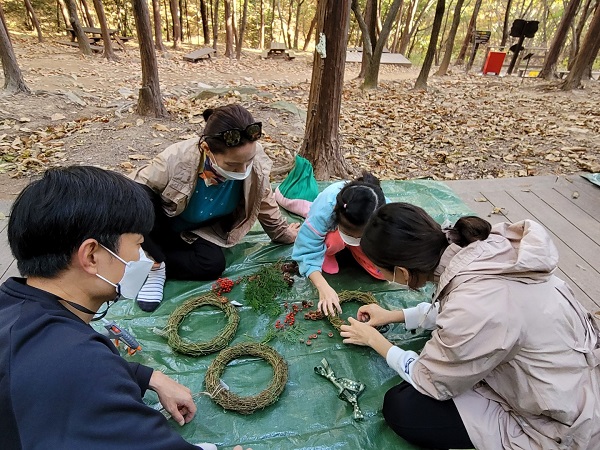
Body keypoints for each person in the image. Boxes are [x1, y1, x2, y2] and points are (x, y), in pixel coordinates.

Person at [0, 166, 248, 450]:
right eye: (139, 245)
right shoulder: (82, 368)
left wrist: (148, 376)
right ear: (91, 255)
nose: (145, 258)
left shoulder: (15, 309)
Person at [340, 203, 600, 450]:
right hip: (572, 374)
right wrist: (393, 315)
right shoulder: (478, 247)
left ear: (402, 272)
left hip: (561, 421)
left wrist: (377, 341)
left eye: (380, 270)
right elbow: (455, 306)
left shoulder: (472, 308)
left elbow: (431, 380)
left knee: (403, 407)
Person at [131, 104, 299, 312]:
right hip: (162, 224)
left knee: (212, 265)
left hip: (199, 230)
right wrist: (150, 248)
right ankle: (154, 264)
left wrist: (283, 234)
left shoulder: (254, 161)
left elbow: (263, 198)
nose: (243, 170)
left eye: (248, 161)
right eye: (232, 165)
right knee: (140, 199)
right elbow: (132, 196)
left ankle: (158, 262)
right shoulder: (176, 159)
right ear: (207, 149)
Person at [292, 172, 386, 316]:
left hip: (360, 234)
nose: (353, 238)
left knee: (381, 273)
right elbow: (306, 249)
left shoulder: (383, 213)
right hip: (333, 236)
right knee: (333, 241)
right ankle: (329, 253)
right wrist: (323, 287)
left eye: (358, 236)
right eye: (348, 234)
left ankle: (354, 248)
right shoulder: (325, 211)